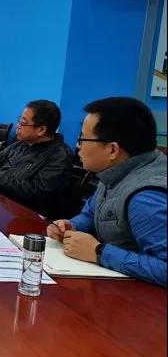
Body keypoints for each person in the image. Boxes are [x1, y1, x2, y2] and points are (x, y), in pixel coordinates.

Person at [47, 97, 166, 286]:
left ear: (112, 150)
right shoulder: (117, 169)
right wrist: (71, 226)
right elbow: (92, 213)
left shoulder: (145, 198)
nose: (78, 146)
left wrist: (99, 252)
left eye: (82, 138)